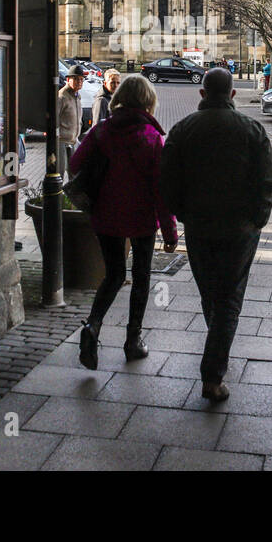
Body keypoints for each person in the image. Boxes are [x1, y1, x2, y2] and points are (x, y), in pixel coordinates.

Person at [161, 67, 272, 402]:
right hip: (239, 228)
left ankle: (217, 349)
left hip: (198, 225)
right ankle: (212, 375)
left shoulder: (183, 130)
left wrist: (182, 213)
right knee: (228, 297)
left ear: (202, 94)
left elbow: (166, 180)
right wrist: (258, 219)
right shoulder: (251, 129)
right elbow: (267, 179)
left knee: (210, 292)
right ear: (233, 94)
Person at [70, 75, 177, 369]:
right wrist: (170, 232)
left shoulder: (103, 130)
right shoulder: (151, 137)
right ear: (147, 101)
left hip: (105, 215)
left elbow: (75, 164)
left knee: (114, 275)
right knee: (141, 278)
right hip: (142, 219)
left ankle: (92, 326)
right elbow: (161, 190)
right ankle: (133, 341)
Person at [56, 64, 85, 179]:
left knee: (74, 173)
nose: (79, 82)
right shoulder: (61, 96)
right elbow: (55, 119)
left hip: (73, 140)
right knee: (60, 173)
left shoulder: (77, 96)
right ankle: (59, 197)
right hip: (61, 140)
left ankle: (71, 197)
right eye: (76, 79)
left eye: (81, 79)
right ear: (68, 80)